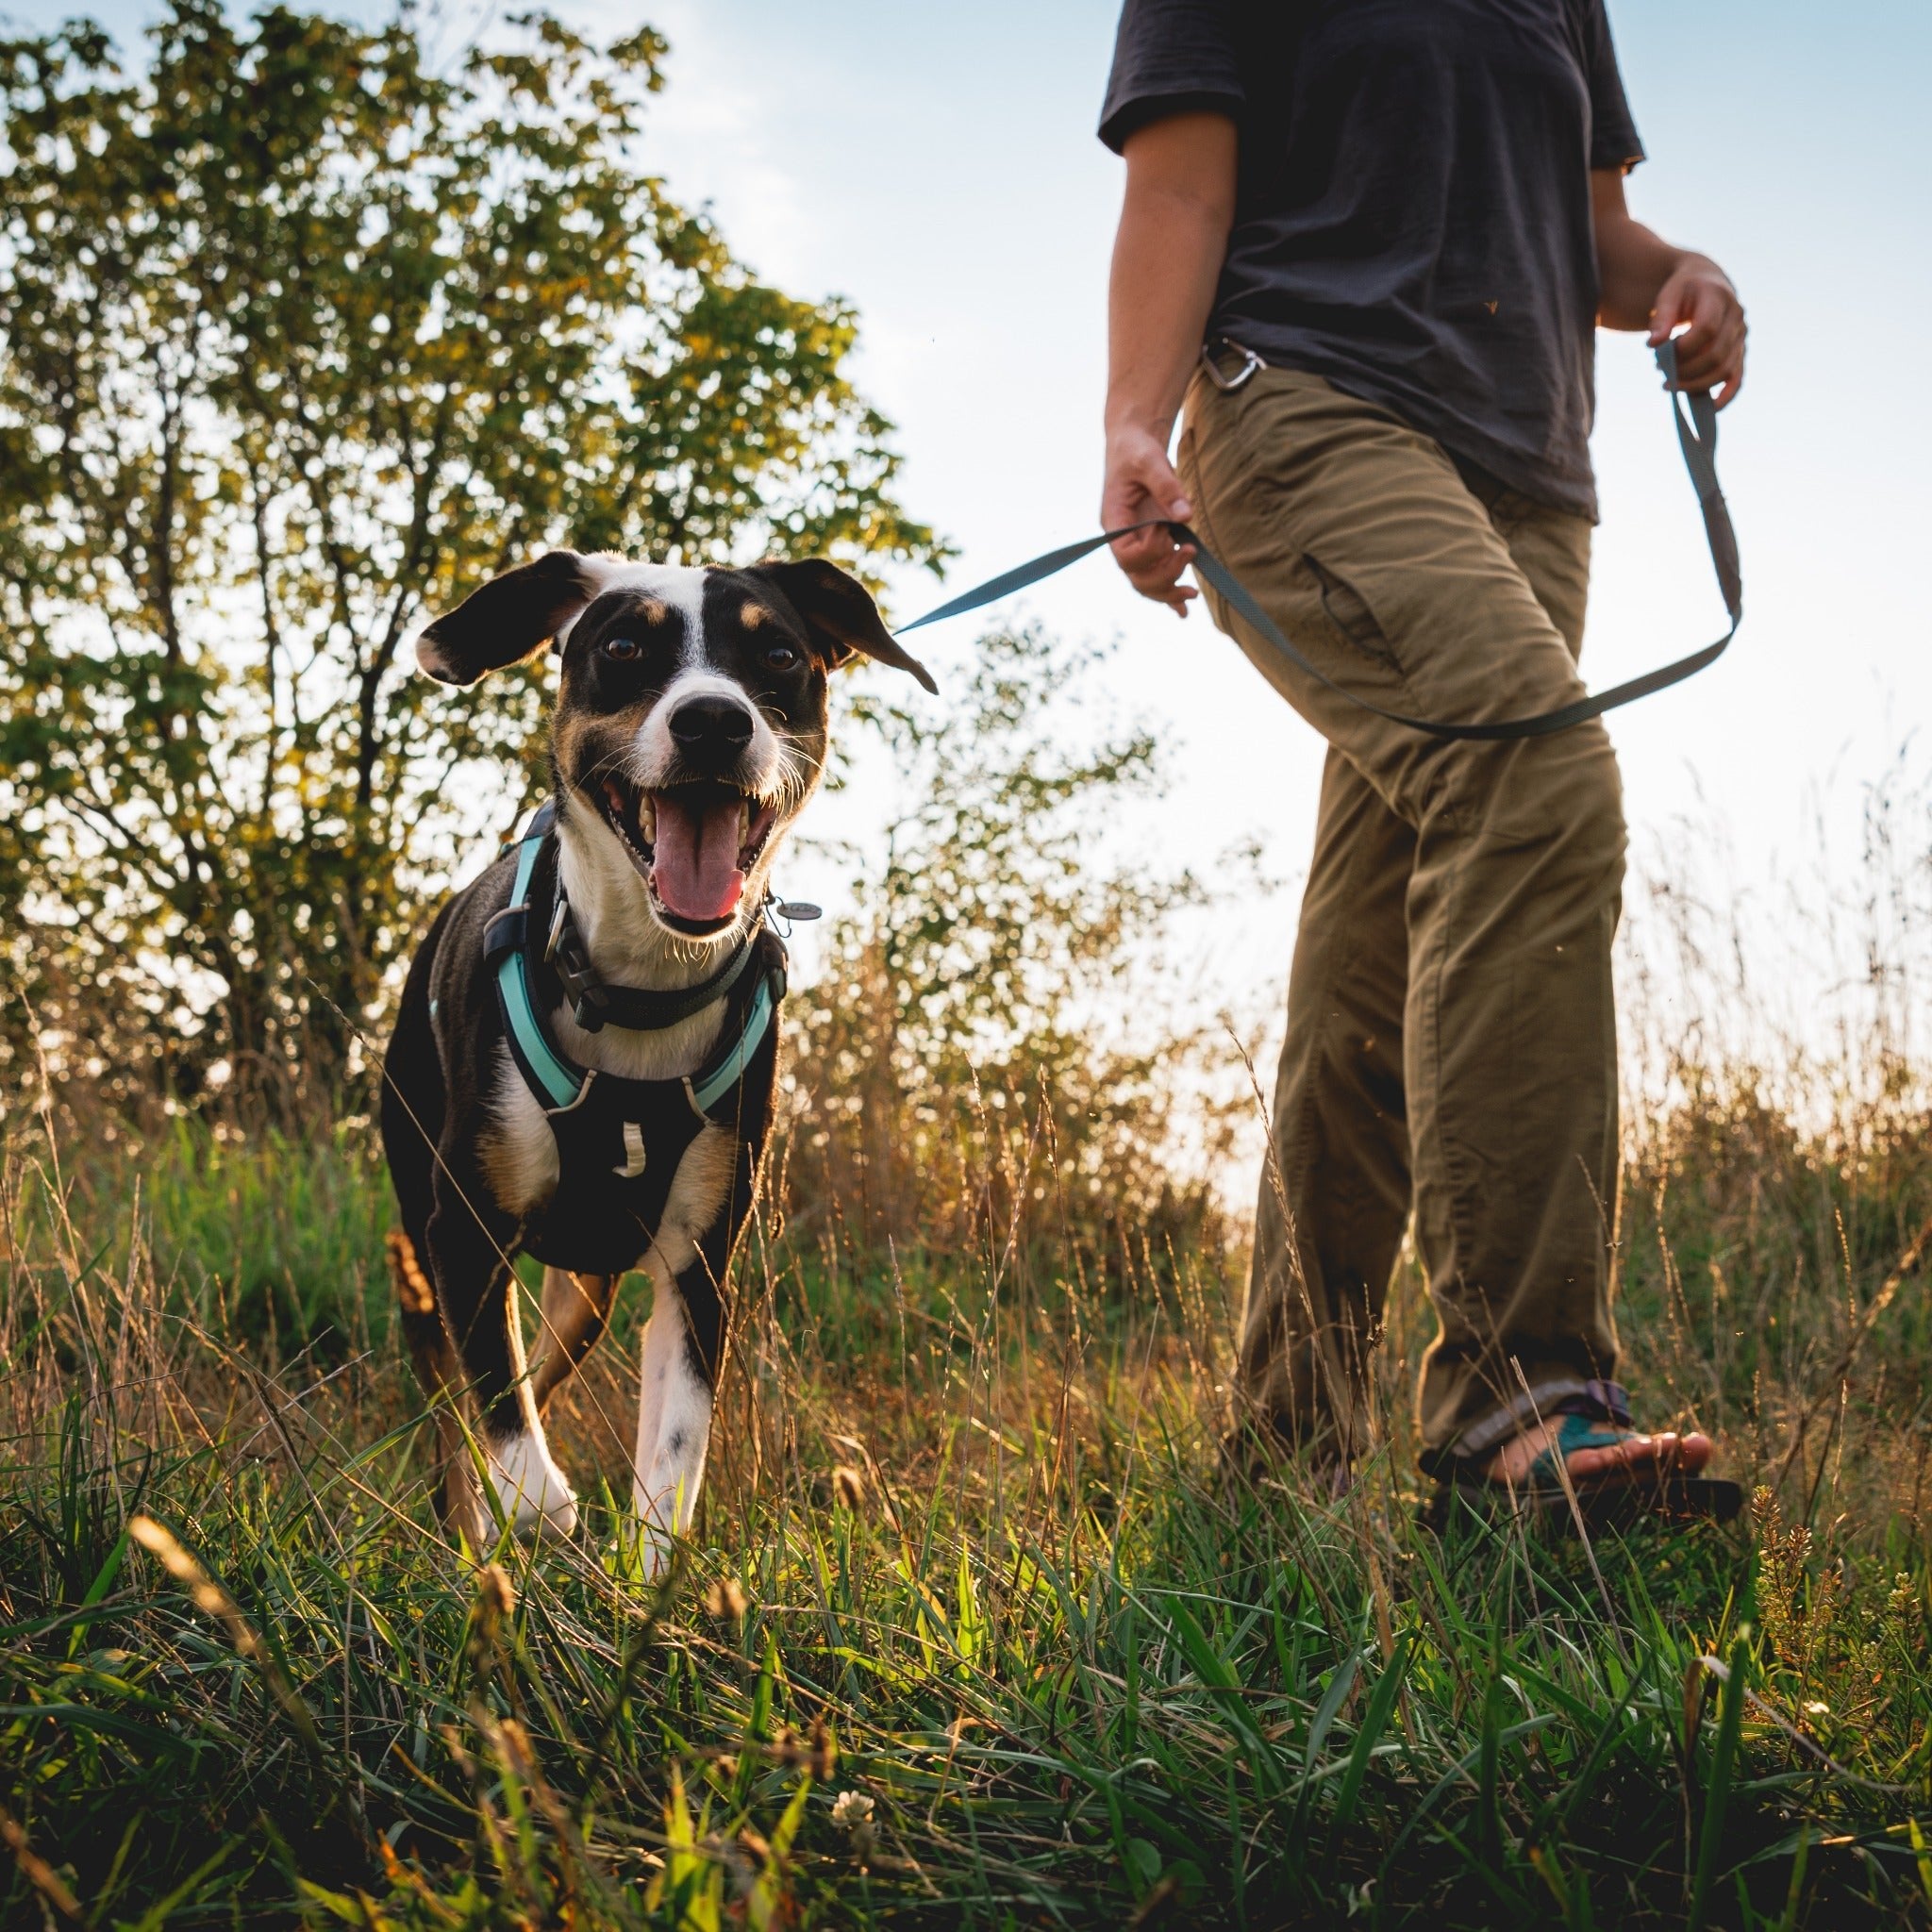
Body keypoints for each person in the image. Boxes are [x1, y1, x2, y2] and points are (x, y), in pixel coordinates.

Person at [1098, 1, 1746, 1511]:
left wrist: (1688, 278)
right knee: (1536, 785)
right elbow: (1184, 183)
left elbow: (1590, 236)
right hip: (1309, 413)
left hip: (1527, 489)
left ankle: (1278, 1466)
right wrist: (1136, 419)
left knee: (1375, 968)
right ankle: (1521, 1401)